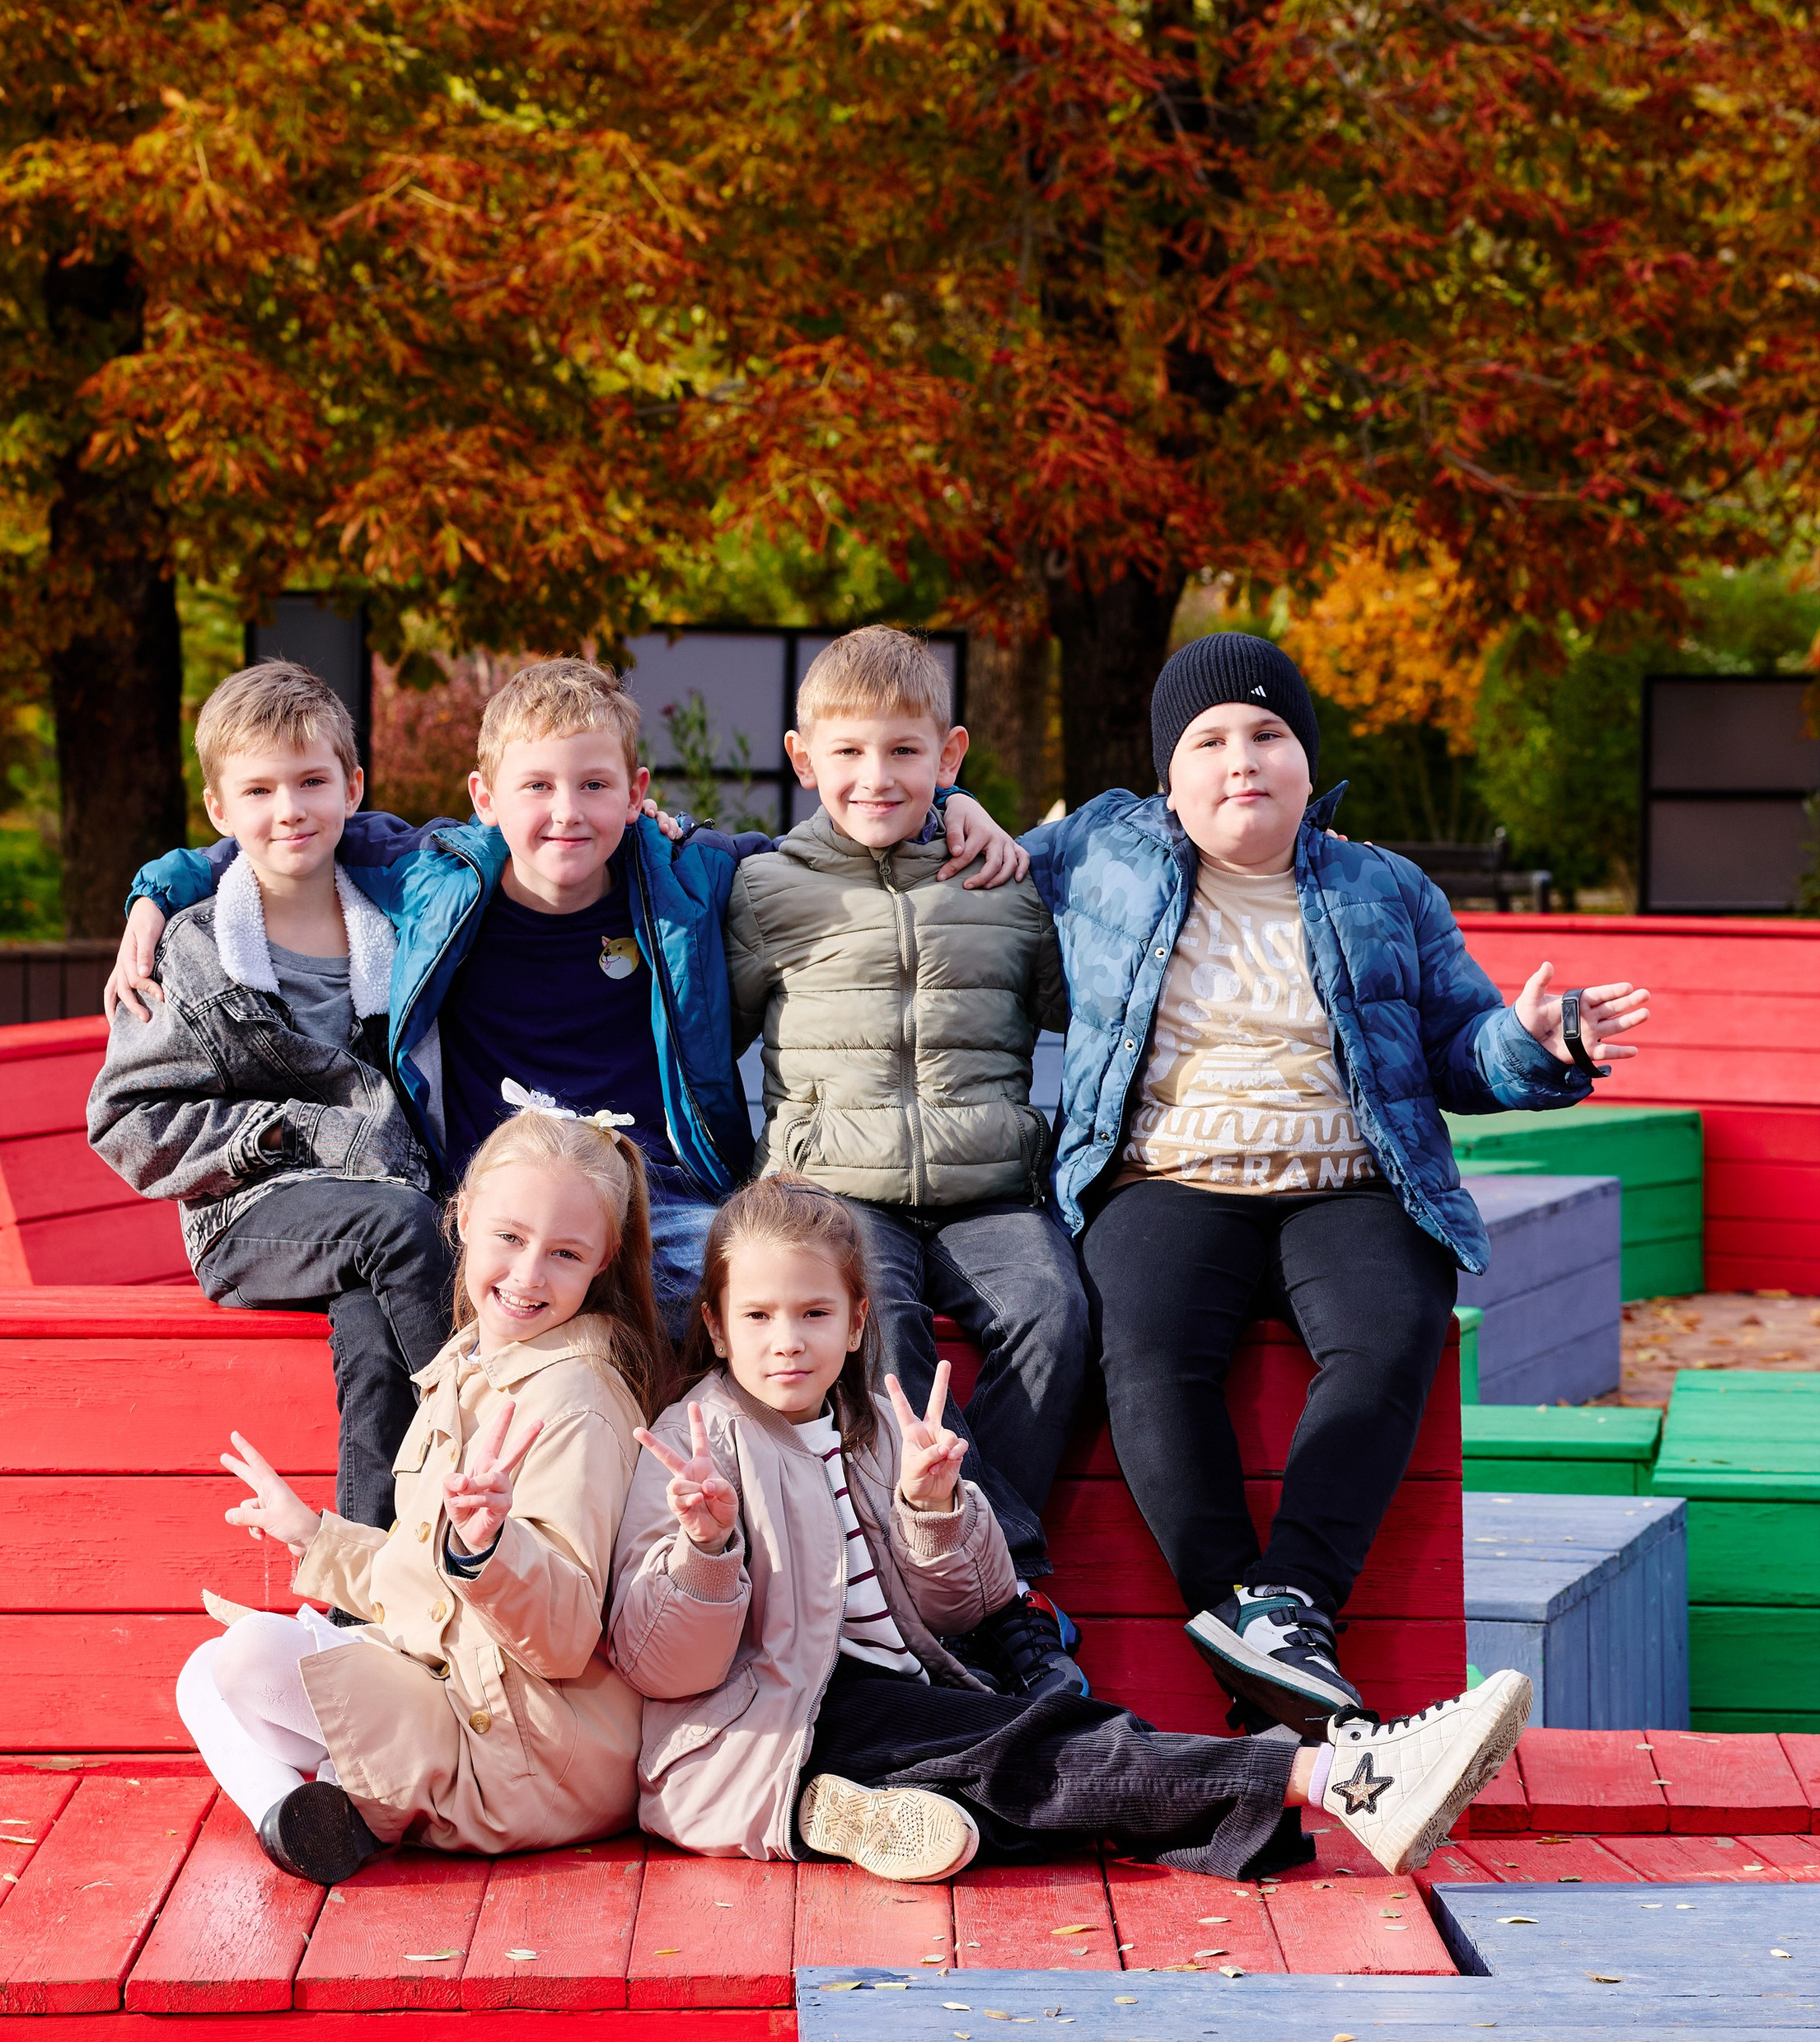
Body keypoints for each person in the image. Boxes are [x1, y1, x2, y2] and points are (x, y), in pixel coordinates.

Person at [1025, 629, 1651, 1740]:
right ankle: (1239, 1613)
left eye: (1268, 733)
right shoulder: (1098, 853)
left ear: (1308, 763)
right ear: (1167, 777)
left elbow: (1460, 1046)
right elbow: (940, 829)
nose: (1241, 759)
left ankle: (1292, 1603)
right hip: (1169, 1175)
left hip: (1349, 1180)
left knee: (1392, 1335)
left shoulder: (1383, 885)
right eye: (1209, 741)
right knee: (1148, 1350)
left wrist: (1530, 1043)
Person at [609, 1177, 1531, 1883]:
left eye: (814, 1314)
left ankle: (852, 1814)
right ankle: (1345, 1778)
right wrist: (706, 1549)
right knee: (1045, 1747)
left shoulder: (881, 1425)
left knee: (1040, 1766)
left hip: (899, 1702)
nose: (787, 1340)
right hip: (777, 1730)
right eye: (758, 1316)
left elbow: (964, 1608)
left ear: (856, 1324)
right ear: (716, 1328)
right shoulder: (698, 1443)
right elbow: (662, 1667)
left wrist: (935, 1508)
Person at [104, 655, 1022, 1349]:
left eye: (594, 786)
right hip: (500, 1206)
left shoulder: (688, 877)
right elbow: (293, 828)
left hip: (661, 1196)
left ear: (636, 793)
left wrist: (951, 801)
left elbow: (841, 832)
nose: (566, 813)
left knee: (756, 1303)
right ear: (484, 798)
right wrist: (158, 888)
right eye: (536, 787)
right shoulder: (434, 882)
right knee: (536, 1330)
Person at [725, 625, 1089, 1697]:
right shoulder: (768, 887)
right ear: (803, 760)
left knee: (1056, 1313)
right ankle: (1002, 1595)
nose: (874, 777)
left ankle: (982, 1571)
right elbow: (706, 1030)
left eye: (903, 752)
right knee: (874, 1323)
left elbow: (1091, 998)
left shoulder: (1003, 881)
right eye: (847, 752)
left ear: (950, 754)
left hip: (988, 1182)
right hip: (835, 1187)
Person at [175, 1103, 662, 1886]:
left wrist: (488, 1547)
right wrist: (314, 1537)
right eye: (510, 1237)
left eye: (565, 1254)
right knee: (207, 1671)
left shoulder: (576, 1399)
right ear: (463, 1218)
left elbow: (565, 1638)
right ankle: (306, 1819)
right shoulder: (465, 1363)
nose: (529, 1275)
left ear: (602, 1261)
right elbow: (427, 1591)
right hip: (451, 1691)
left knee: (248, 1658)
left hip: (522, 1749)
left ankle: (343, 1802)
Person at [87, 661, 455, 1528]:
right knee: (404, 1228)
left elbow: (500, 840)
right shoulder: (191, 952)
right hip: (249, 1220)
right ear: (220, 810)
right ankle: (479, 1446)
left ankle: (363, 1577)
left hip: (378, 1221)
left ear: (352, 787)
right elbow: (127, 1122)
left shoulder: (402, 928)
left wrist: (658, 835)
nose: (288, 808)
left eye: (311, 782)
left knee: (372, 1334)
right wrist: (285, 1134)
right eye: (258, 790)